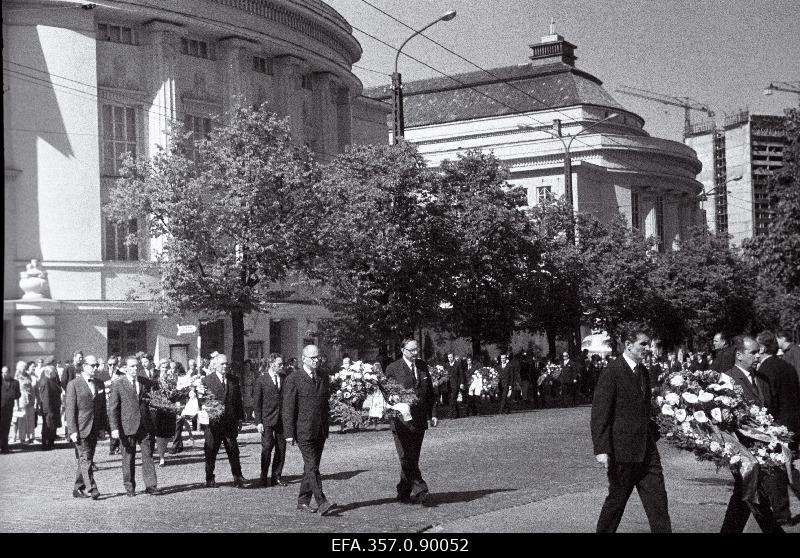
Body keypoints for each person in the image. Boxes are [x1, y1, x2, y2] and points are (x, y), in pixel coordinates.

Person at [591, 322, 672, 533]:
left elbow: (645, 408)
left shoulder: (643, 371)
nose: (647, 348)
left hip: (647, 453)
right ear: (628, 344)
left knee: (659, 507)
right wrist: (601, 449)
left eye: (648, 344)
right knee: (615, 505)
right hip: (622, 454)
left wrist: (656, 431)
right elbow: (600, 413)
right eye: (643, 344)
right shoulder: (612, 371)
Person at [719, 335, 784, 533]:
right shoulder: (727, 379)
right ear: (739, 355)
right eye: (753, 352)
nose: (758, 356)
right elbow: (725, 419)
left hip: (762, 449)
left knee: (743, 497)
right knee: (755, 496)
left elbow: (771, 410)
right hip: (742, 450)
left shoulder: (761, 379)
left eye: (759, 352)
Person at [283, 345, 337, 515]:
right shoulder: (294, 378)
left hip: (320, 428)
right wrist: (289, 433)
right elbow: (288, 407)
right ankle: (322, 501)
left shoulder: (322, 375)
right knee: (312, 466)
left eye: (317, 357)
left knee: (310, 467)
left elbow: (325, 402)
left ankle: (303, 501)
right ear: (303, 358)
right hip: (303, 429)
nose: (316, 361)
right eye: (312, 358)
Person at [753, 330, 800, 526]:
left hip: (778, 426)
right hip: (794, 422)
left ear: (762, 348)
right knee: (788, 468)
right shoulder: (786, 366)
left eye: (756, 348)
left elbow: (768, 401)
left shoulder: (766, 370)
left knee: (778, 471)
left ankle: (782, 513)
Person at [385, 338, 438, 505]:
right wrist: (393, 399)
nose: (415, 353)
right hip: (401, 421)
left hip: (419, 419)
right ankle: (421, 488)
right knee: (406, 456)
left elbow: (429, 392)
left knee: (412, 457)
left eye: (416, 349)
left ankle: (403, 491)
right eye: (411, 350)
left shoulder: (422, 366)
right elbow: (387, 393)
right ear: (403, 350)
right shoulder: (393, 368)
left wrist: (433, 414)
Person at [108, 356, 161, 497]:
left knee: (148, 455)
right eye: (131, 366)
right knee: (128, 457)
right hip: (127, 426)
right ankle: (129, 487)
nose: (134, 369)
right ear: (125, 368)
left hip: (144, 425)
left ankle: (151, 485)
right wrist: (114, 428)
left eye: (136, 366)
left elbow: (157, 391)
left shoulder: (144, 382)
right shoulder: (118, 384)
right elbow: (113, 408)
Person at [65, 355, 107, 500]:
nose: (96, 368)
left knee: (87, 458)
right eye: (92, 365)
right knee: (85, 457)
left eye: (97, 365)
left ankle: (77, 488)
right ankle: (92, 488)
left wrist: (102, 428)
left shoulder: (100, 384)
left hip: (94, 428)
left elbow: (102, 408)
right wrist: (72, 431)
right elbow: (70, 410)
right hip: (81, 427)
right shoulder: (73, 384)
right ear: (84, 366)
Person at [202, 354, 246, 489]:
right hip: (213, 423)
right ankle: (209, 477)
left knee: (233, 450)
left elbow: (238, 400)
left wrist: (240, 419)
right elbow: (203, 401)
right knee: (211, 451)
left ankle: (237, 476)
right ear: (215, 365)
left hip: (230, 421)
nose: (225, 366)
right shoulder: (207, 380)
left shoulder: (233, 379)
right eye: (222, 364)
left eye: (226, 364)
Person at [254, 353, 287, 488]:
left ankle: (276, 476)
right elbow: (257, 402)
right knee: (267, 447)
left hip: (281, 420)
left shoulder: (284, 378)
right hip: (267, 419)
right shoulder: (261, 380)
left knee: (281, 448)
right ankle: (263, 476)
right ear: (272, 364)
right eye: (279, 364)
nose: (282, 366)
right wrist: (258, 422)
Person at [170, 361, 196, 454]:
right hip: (173, 402)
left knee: (178, 423)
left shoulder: (184, 377)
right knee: (176, 424)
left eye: (173, 368)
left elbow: (188, 390)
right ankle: (179, 445)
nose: (171, 370)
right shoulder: (172, 378)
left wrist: (180, 393)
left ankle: (175, 445)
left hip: (181, 402)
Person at [37, 363, 62, 450]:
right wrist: (48, 410)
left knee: (52, 426)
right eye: (55, 372)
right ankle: (46, 443)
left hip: (53, 407)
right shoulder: (46, 382)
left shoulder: (51, 380)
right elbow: (46, 397)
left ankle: (50, 442)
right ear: (50, 373)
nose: (56, 373)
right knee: (47, 426)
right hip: (49, 409)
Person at [14, 362, 36, 445]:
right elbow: (15, 390)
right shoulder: (17, 377)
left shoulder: (28, 375)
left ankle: (30, 437)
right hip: (21, 399)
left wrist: (34, 399)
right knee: (22, 420)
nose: (24, 369)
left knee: (30, 419)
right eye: (23, 367)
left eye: (25, 367)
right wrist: (16, 404)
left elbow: (31, 387)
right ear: (19, 368)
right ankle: (22, 438)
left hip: (30, 399)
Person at [1, 366, 21, 453]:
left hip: (9, 408)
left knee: (6, 427)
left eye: (6, 372)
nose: (4, 374)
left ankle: (5, 447)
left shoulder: (15, 382)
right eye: (3, 372)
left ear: (9, 372)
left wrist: (14, 395)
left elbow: (18, 394)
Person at [443, 353, 464, 419]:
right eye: (448, 357)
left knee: (453, 398)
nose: (450, 359)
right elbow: (445, 374)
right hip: (449, 385)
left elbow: (461, 374)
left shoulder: (458, 364)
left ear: (453, 357)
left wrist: (461, 383)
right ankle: (457, 413)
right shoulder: (446, 365)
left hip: (456, 384)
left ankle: (451, 413)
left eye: (451, 357)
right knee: (452, 399)